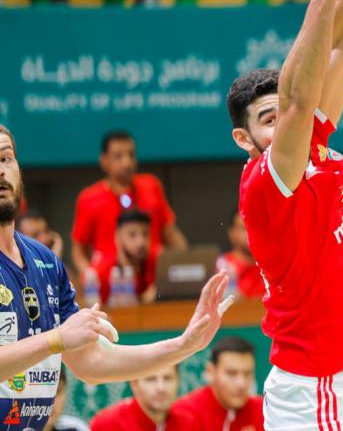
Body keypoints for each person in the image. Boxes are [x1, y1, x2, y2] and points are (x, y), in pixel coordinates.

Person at [227, 0, 343, 430]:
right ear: (245, 140)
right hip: (315, 391)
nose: (284, 121)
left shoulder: (313, 141)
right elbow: (296, 99)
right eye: (266, 120)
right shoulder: (267, 181)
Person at [0, 123, 232, 431]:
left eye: (6, 158)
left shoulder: (45, 262)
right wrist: (55, 339)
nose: (1, 170)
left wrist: (184, 345)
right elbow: (60, 342)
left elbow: (93, 363)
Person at [72, 131, 187, 276]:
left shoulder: (152, 185)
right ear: (104, 161)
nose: (127, 163)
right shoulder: (88, 198)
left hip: (155, 283)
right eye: (118, 156)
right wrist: (91, 277)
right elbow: (79, 252)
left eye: (131, 155)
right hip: (112, 286)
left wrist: (185, 266)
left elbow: (171, 235)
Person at [170, 336, 263, 431]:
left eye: (247, 373)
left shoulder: (265, 411)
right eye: (232, 373)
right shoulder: (184, 413)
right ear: (210, 372)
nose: (241, 383)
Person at [89, 365, 195, 430]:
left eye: (167, 378)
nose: (161, 388)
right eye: (151, 379)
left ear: (178, 381)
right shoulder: (108, 424)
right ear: (134, 384)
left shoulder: (188, 422)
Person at [88, 209, 157, 306]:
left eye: (145, 234)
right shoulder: (101, 273)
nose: (141, 242)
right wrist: (142, 300)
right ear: (117, 237)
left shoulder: (158, 266)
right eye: (132, 235)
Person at [216, 212, 264, 300]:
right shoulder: (222, 265)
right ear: (232, 233)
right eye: (244, 228)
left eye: (254, 227)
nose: (251, 233)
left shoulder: (271, 266)